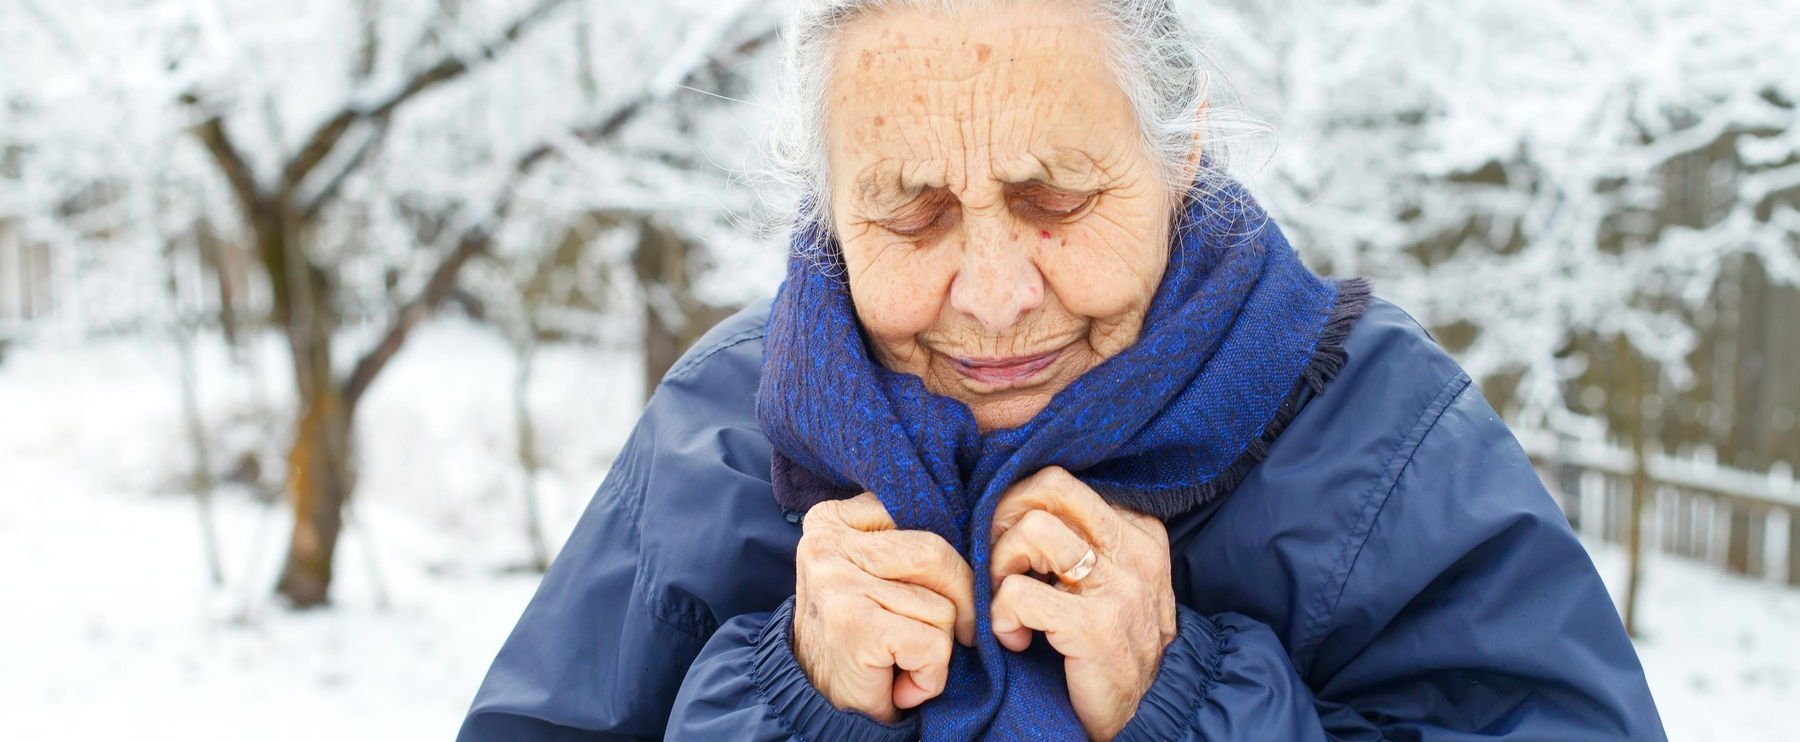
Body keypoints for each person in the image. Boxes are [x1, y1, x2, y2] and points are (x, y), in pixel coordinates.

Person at [458, 0, 1666, 739]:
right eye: (910, 213)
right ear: (827, 205)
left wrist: (1187, 700)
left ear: (1181, 150)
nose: (992, 294)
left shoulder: (1384, 440)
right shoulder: (719, 430)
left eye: (1056, 198)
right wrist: (791, 704)